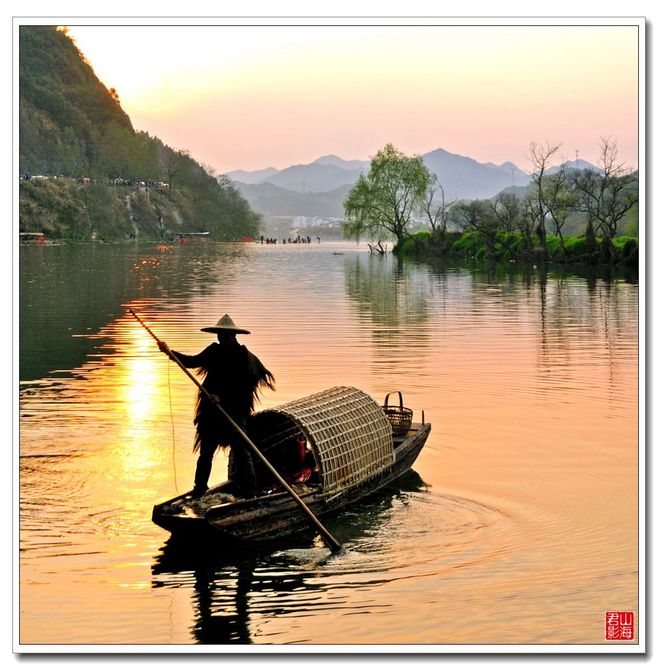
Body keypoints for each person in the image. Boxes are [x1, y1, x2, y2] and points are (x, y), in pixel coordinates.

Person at [158, 314, 275, 498]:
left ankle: (250, 493)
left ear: (232, 336)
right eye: (219, 335)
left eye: (224, 335)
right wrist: (169, 353)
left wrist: (223, 398)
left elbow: (244, 385)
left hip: (235, 412)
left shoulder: (244, 357)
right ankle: (199, 489)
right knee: (206, 453)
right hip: (212, 414)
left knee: (242, 452)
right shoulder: (214, 351)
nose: (220, 338)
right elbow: (191, 362)